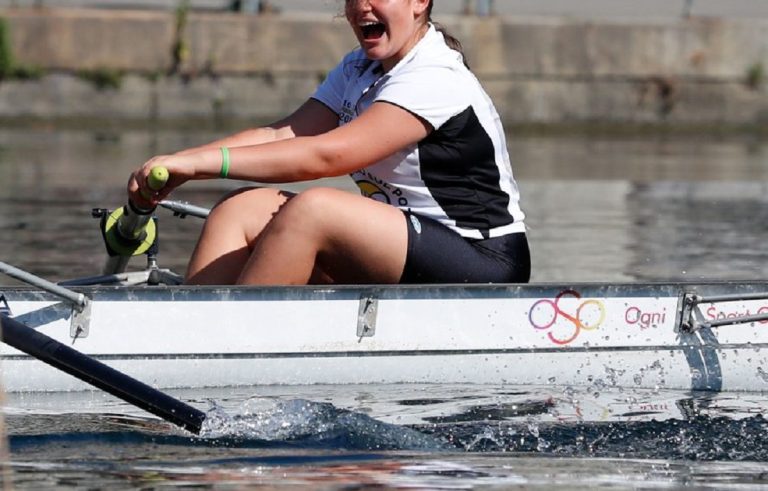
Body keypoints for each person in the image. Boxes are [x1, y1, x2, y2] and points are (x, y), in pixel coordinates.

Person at [128, 0, 530, 286]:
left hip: (482, 260)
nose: (362, 7)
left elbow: (327, 154)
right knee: (241, 207)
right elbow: (284, 134)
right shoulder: (359, 66)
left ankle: (233, 353)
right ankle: (193, 334)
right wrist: (182, 162)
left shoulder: (434, 75)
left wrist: (200, 166)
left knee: (314, 210)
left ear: (419, 2)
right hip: (403, 246)